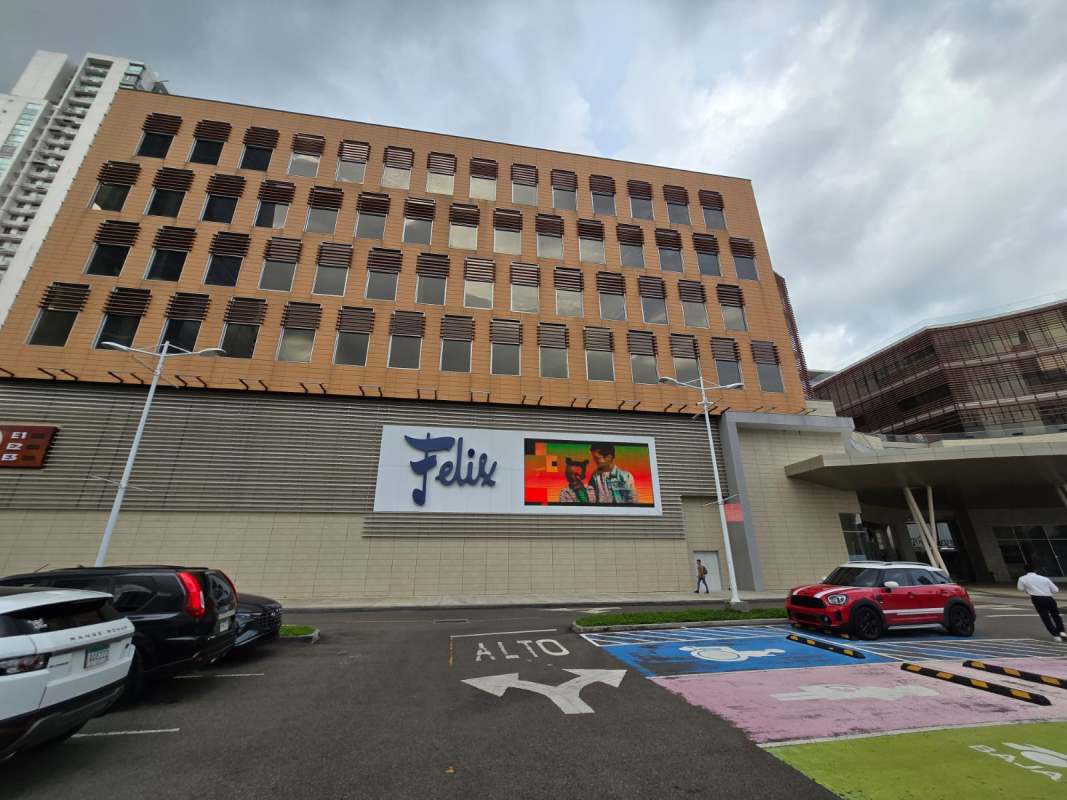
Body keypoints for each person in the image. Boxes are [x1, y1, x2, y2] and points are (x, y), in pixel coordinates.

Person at [1017, 563, 1065, 641]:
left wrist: (1029, 589)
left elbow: (1020, 589)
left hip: (1037, 599)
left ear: (1025, 570)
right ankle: (1061, 631)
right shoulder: (1044, 578)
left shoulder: (1022, 579)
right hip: (1049, 598)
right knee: (1056, 615)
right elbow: (1056, 590)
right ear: (1035, 570)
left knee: (1045, 617)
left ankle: (1055, 635)